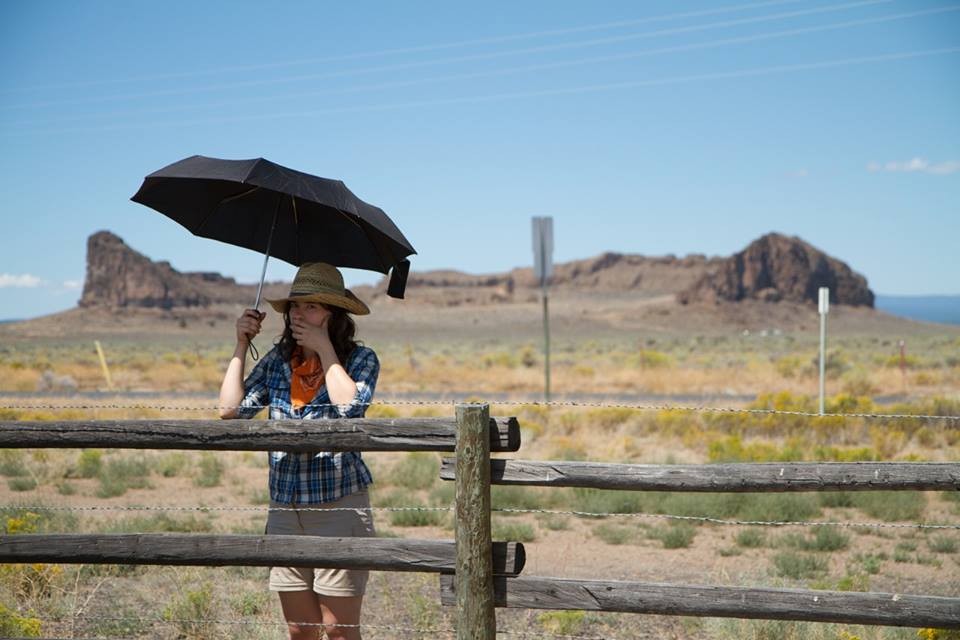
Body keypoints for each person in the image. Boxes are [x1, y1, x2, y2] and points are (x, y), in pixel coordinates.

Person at [219, 262, 379, 640]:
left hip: (337, 505)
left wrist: (324, 348)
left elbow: (350, 408)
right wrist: (241, 344)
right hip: (285, 508)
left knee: (338, 630)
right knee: (300, 630)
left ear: (332, 314)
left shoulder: (360, 359)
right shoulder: (279, 361)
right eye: (295, 305)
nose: (298, 314)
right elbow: (230, 410)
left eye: (311, 306)